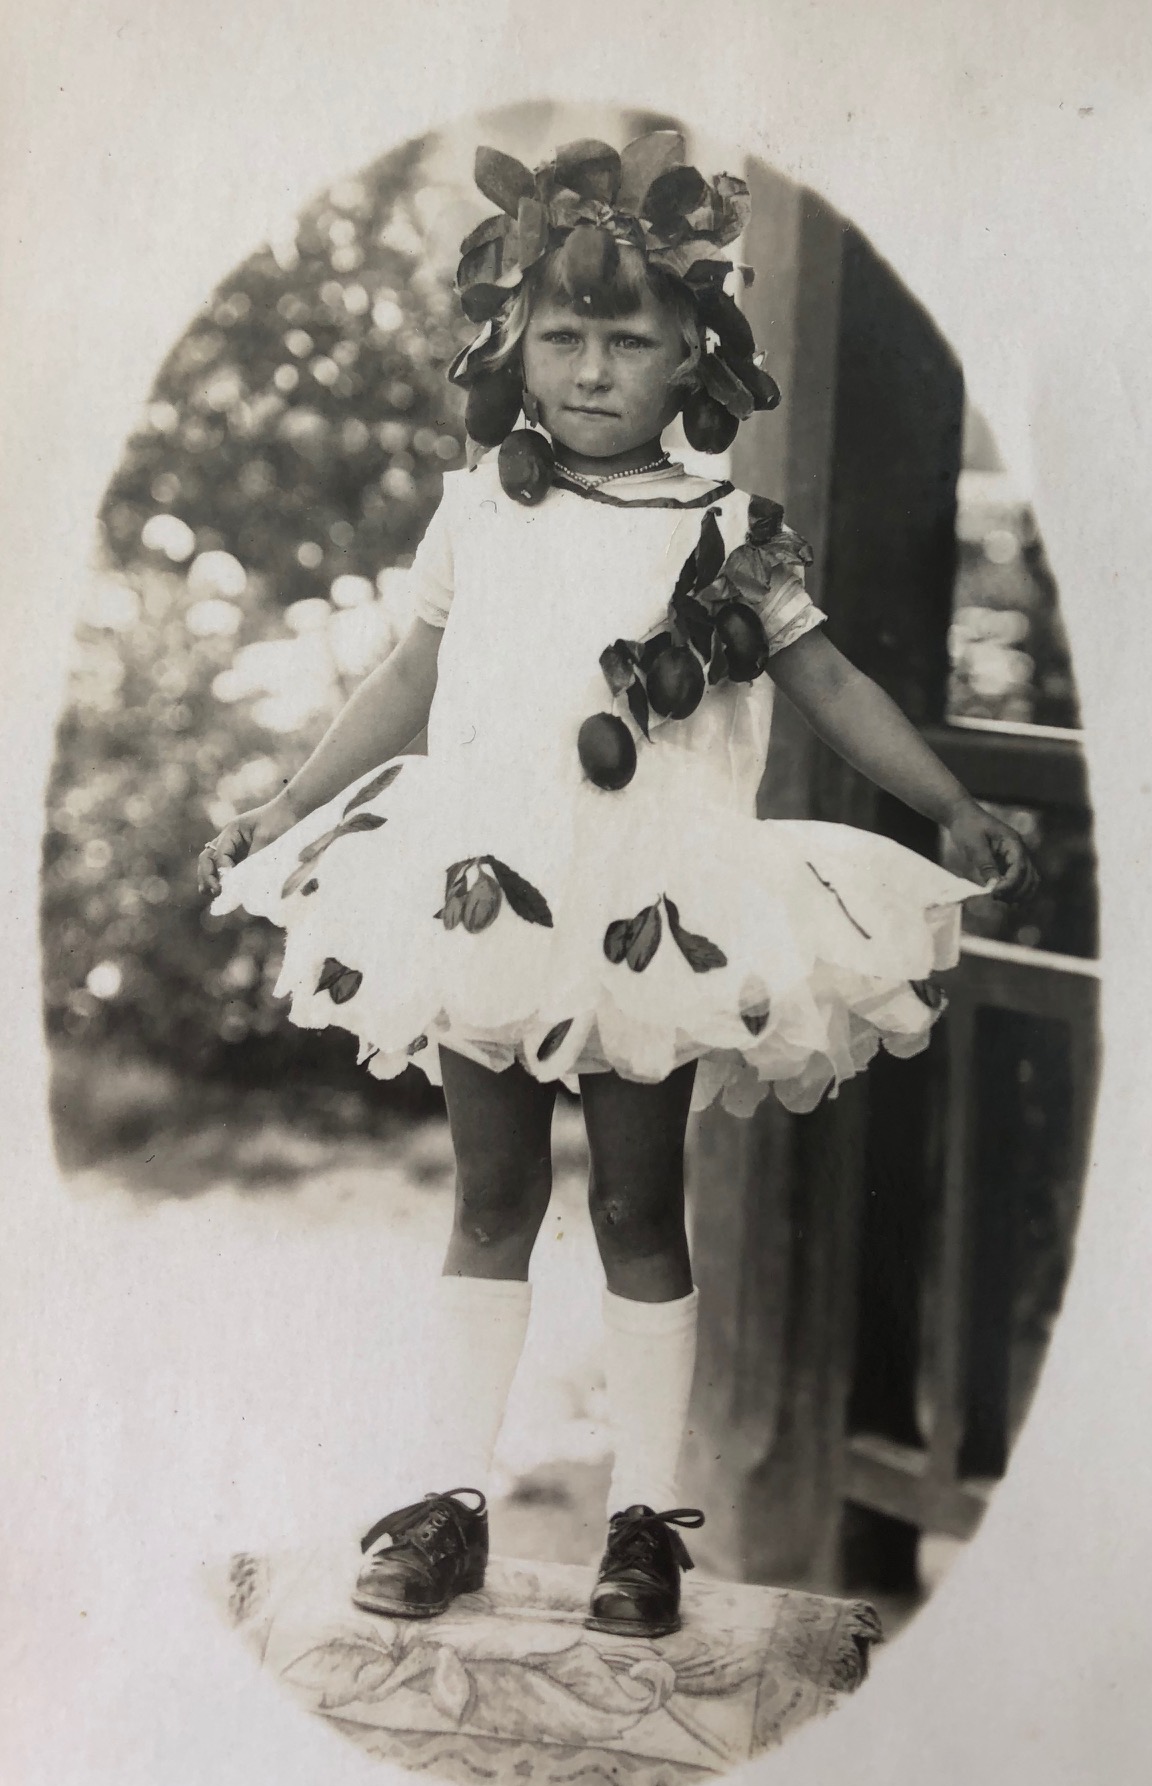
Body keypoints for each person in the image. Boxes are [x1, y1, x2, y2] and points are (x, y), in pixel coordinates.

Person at [198, 133, 1036, 1639]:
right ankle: (448, 1501)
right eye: (563, 338)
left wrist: (948, 803)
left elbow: (830, 681)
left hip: (651, 909)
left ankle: (642, 1525)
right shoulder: (482, 506)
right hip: (489, 893)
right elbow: (411, 673)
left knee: (642, 1206)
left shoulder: (726, 529)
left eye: (630, 341)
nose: (592, 371)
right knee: (492, 1194)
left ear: (693, 353)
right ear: (511, 346)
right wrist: (286, 802)